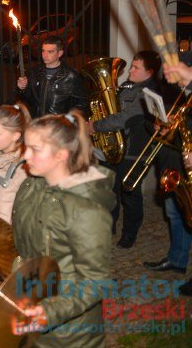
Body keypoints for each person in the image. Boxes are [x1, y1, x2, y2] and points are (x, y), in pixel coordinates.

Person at [13, 112, 114, 347]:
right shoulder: (30, 186)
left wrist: (49, 312)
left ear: (61, 155)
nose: (25, 155)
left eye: (35, 149)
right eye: (26, 147)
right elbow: (22, 245)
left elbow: (94, 283)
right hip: (30, 306)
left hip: (69, 334)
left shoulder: (86, 212)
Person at [87, 51, 161, 249]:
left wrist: (96, 126)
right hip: (114, 148)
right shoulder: (127, 87)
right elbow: (110, 110)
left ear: (149, 72)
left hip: (134, 152)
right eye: (131, 66)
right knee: (110, 189)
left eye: (136, 68)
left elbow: (125, 118)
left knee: (130, 193)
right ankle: (108, 226)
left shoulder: (149, 93)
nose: (130, 71)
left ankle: (130, 234)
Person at [143, 60, 192, 297]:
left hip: (190, 166)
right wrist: (160, 128)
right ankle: (177, 259)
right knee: (175, 214)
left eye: (188, 75)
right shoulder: (174, 94)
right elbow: (152, 122)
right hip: (173, 165)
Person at [16, 35, 88, 118]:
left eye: (50, 52)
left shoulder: (71, 76)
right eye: (43, 51)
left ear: (60, 53)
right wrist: (22, 89)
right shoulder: (35, 72)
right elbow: (29, 100)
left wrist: (68, 120)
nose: (45, 55)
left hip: (58, 124)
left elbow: (82, 104)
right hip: (38, 122)